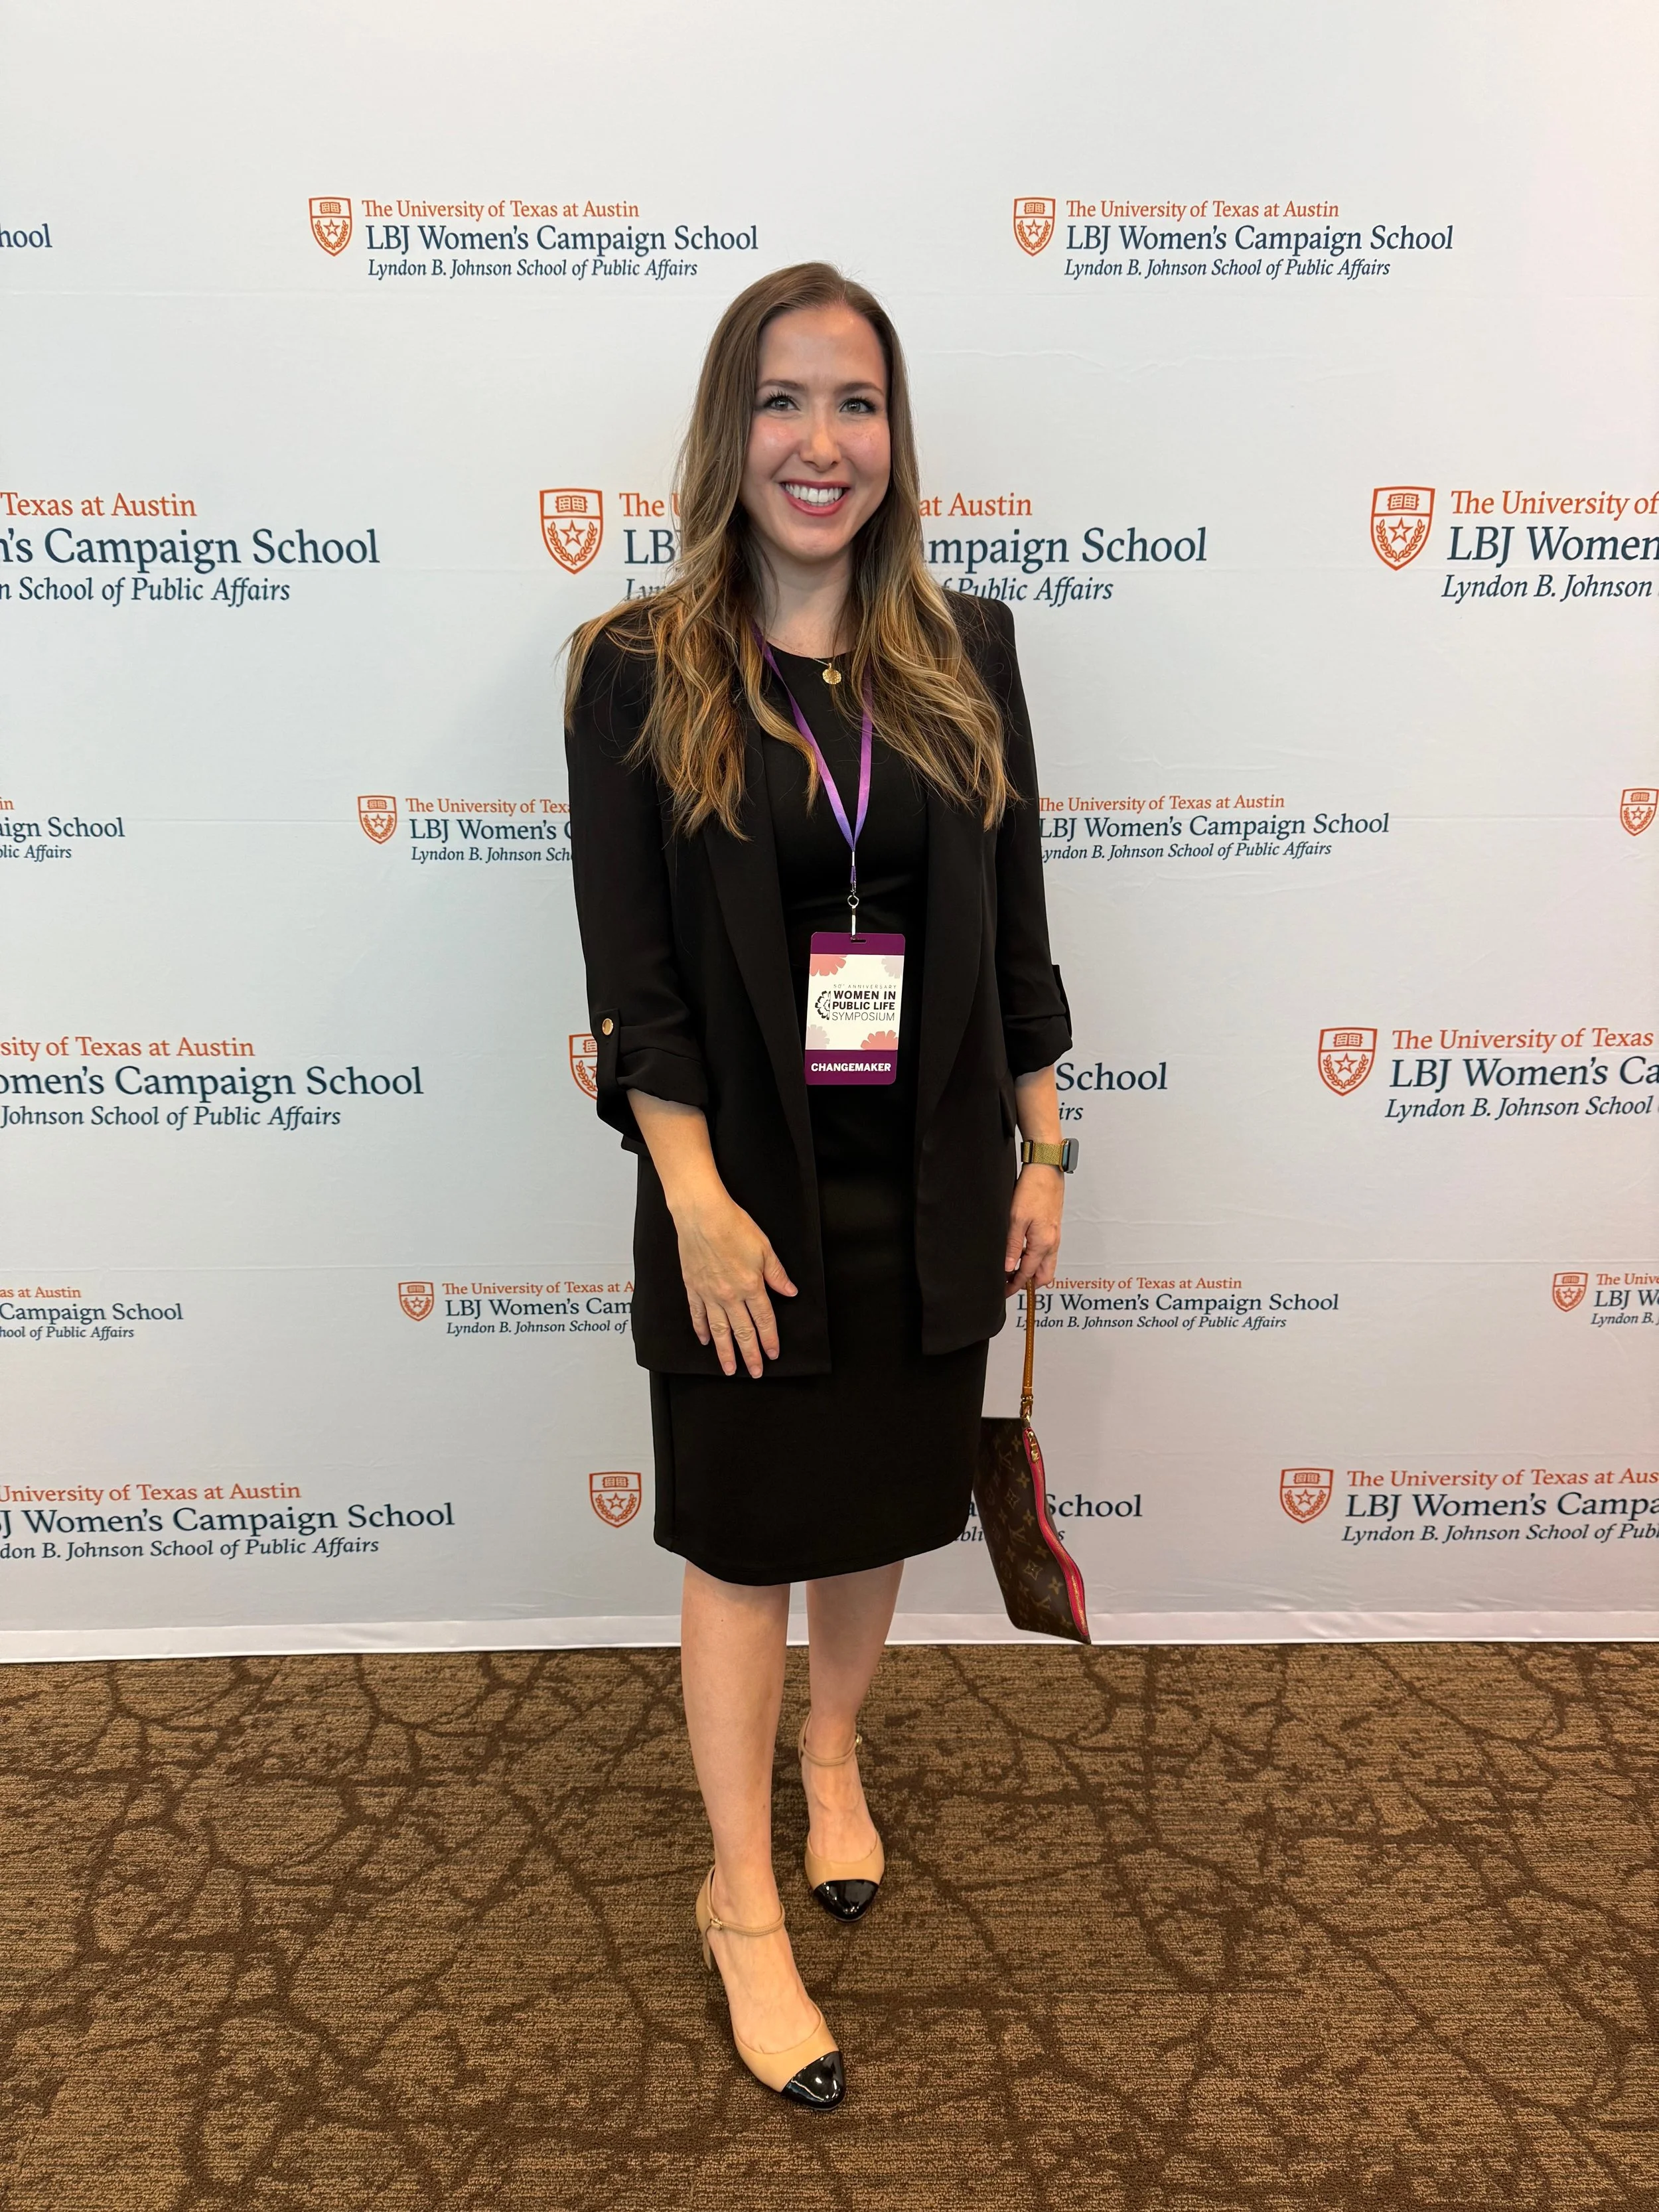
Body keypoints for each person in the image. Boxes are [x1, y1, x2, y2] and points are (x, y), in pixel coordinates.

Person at [564, 263, 1072, 2108]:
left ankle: (834, 1756)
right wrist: (691, 1199)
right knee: (741, 1531)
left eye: (853, 403)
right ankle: (736, 1899)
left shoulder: (971, 648)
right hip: (745, 1190)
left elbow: (1014, 927)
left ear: (893, 438)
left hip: (927, 1165)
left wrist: (1046, 1141)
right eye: (783, 401)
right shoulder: (635, 668)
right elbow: (633, 978)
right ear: (731, 430)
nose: (819, 441)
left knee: (872, 1500)